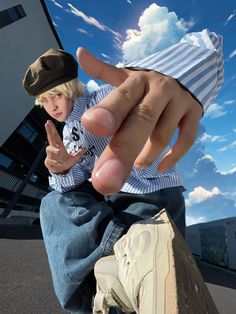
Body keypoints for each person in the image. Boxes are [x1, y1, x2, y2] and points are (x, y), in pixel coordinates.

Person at [22, 29, 223, 313]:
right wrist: (63, 170)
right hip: (111, 208)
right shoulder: (66, 134)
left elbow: (211, 42)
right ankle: (102, 285)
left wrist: (174, 76)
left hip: (150, 192)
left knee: (144, 265)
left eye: (55, 95)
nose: (51, 106)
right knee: (54, 202)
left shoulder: (107, 95)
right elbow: (78, 187)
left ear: (70, 87)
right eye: (43, 101)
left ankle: (135, 260)